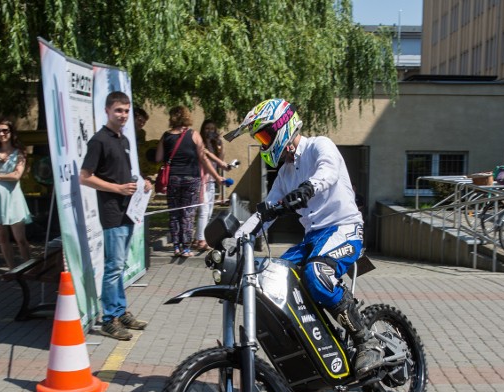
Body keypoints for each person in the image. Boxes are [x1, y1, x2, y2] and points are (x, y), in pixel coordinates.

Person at [226, 98, 383, 377]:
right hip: (314, 237)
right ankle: (317, 343)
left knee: (316, 274)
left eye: (264, 135)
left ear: (282, 128)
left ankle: (365, 341)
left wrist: (307, 188)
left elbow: (328, 172)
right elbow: (265, 213)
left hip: (343, 228)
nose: (263, 142)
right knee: (272, 279)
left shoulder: (319, 146)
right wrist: (234, 241)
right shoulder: (285, 174)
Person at [79, 91, 150, 341]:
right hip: (112, 213)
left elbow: (123, 174)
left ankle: (120, 311)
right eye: (118, 110)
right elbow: (85, 176)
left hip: (128, 211)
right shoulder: (99, 140)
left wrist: (141, 184)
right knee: (113, 267)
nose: (123, 115)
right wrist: (117, 189)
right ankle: (109, 319)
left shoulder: (124, 140)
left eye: (126, 111)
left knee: (119, 266)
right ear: (107, 111)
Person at [154, 106, 225, 258]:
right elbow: (203, 158)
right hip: (191, 179)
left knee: (174, 214)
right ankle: (186, 248)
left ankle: (176, 247)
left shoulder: (166, 136)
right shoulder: (194, 135)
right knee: (188, 213)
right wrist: (217, 176)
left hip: (173, 178)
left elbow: (158, 158)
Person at [0, 119, 32, 269]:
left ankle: (28, 266)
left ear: (11, 132)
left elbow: (16, 175)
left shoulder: (20, 152)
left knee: (20, 238)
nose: (1, 134)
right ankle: (11, 268)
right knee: (3, 237)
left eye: (5, 130)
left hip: (13, 196)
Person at [194, 119, 231, 252]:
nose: (210, 131)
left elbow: (220, 160)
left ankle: (198, 237)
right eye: (207, 128)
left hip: (211, 180)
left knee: (209, 211)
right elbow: (205, 158)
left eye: (212, 129)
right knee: (204, 211)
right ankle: (200, 241)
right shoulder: (200, 143)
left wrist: (221, 146)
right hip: (202, 180)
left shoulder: (214, 144)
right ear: (203, 129)